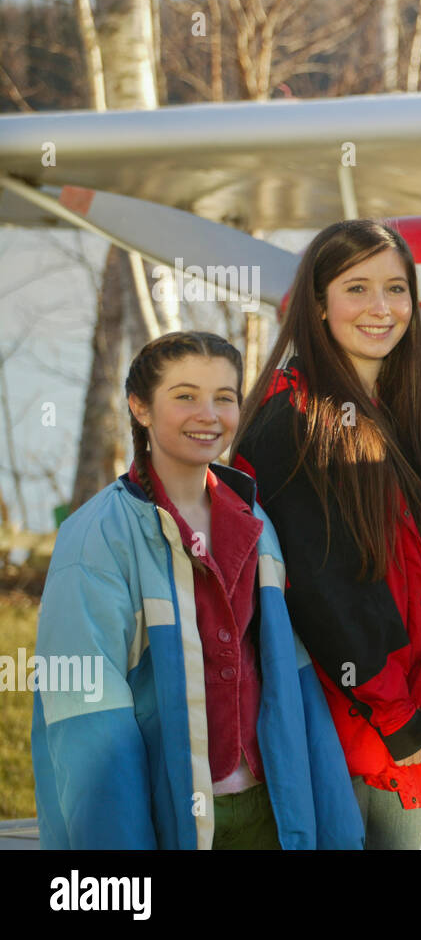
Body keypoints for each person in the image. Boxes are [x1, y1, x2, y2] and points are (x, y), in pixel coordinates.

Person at [31, 331, 362, 849]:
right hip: (170, 817)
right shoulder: (96, 537)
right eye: (184, 396)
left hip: (267, 807)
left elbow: (290, 675)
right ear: (140, 407)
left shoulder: (253, 518)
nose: (207, 414)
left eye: (224, 398)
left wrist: (333, 822)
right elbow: (87, 722)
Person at [233, 220, 421, 850]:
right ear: (318, 304)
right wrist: (395, 713)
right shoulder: (290, 421)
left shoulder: (414, 419)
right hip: (336, 725)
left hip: (409, 723)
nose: (381, 309)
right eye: (356, 288)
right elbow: (321, 586)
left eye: (396, 289)